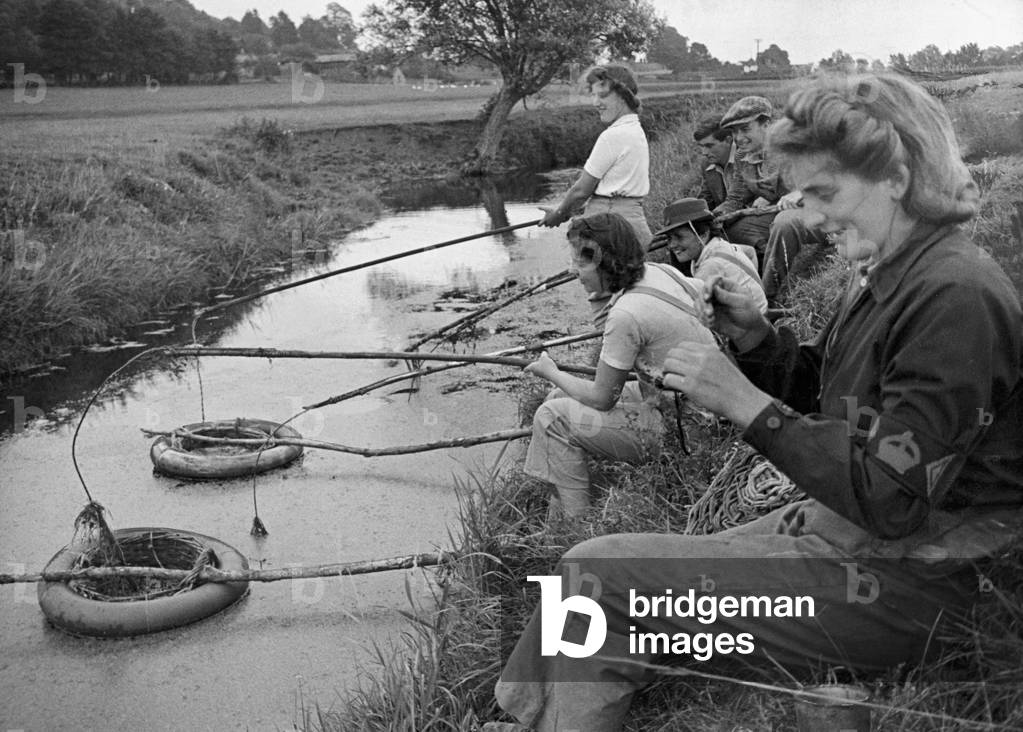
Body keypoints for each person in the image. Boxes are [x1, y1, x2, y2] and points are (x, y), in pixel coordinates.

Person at [489, 72, 1023, 732]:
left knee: (596, 576)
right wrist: (754, 336)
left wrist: (745, 404)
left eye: (823, 189)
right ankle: (529, 717)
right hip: (878, 536)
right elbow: (833, 398)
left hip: (930, 581)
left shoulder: (953, 297)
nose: (807, 211)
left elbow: (891, 494)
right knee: (609, 567)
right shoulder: (898, 272)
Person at [522, 212, 714, 519]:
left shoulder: (626, 314)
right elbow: (705, 291)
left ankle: (574, 527)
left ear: (605, 261)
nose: (574, 271)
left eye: (581, 262)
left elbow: (602, 398)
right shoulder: (661, 271)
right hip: (699, 405)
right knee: (557, 400)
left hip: (687, 433)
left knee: (550, 417)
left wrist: (552, 372)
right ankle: (556, 507)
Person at [714, 95, 832, 304]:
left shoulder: (794, 144)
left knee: (784, 222)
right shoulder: (743, 157)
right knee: (730, 229)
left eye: (745, 129)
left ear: (766, 124)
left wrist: (801, 193)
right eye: (734, 132)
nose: (739, 138)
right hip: (782, 213)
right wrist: (714, 216)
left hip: (825, 214)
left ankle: (767, 297)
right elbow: (736, 197)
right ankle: (761, 263)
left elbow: (832, 176)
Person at [538, 65, 652, 250]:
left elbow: (581, 191)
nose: (595, 102)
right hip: (630, 218)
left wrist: (559, 213)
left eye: (603, 95)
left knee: (593, 276)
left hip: (608, 224)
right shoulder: (634, 129)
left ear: (623, 96)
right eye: (593, 95)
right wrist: (566, 211)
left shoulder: (613, 135)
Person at [654, 197, 767, 313]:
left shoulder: (710, 267)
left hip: (749, 324)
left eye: (679, 237)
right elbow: (750, 251)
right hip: (759, 310)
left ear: (702, 234)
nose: (672, 245)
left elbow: (693, 308)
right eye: (669, 238)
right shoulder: (721, 245)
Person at [692, 114, 734, 210]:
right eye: (701, 146)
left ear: (728, 140)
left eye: (709, 146)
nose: (704, 153)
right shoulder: (706, 164)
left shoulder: (747, 156)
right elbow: (707, 198)